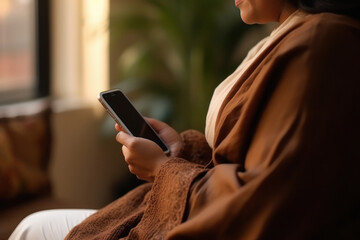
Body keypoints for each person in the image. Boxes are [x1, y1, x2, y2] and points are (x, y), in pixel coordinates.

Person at [10, 0, 360, 239]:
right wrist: (182, 149)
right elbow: (250, 155)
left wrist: (164, 170)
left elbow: (269, 203)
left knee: (34, 229)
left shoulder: (321, 44)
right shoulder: (296, 35)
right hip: (203, 211)